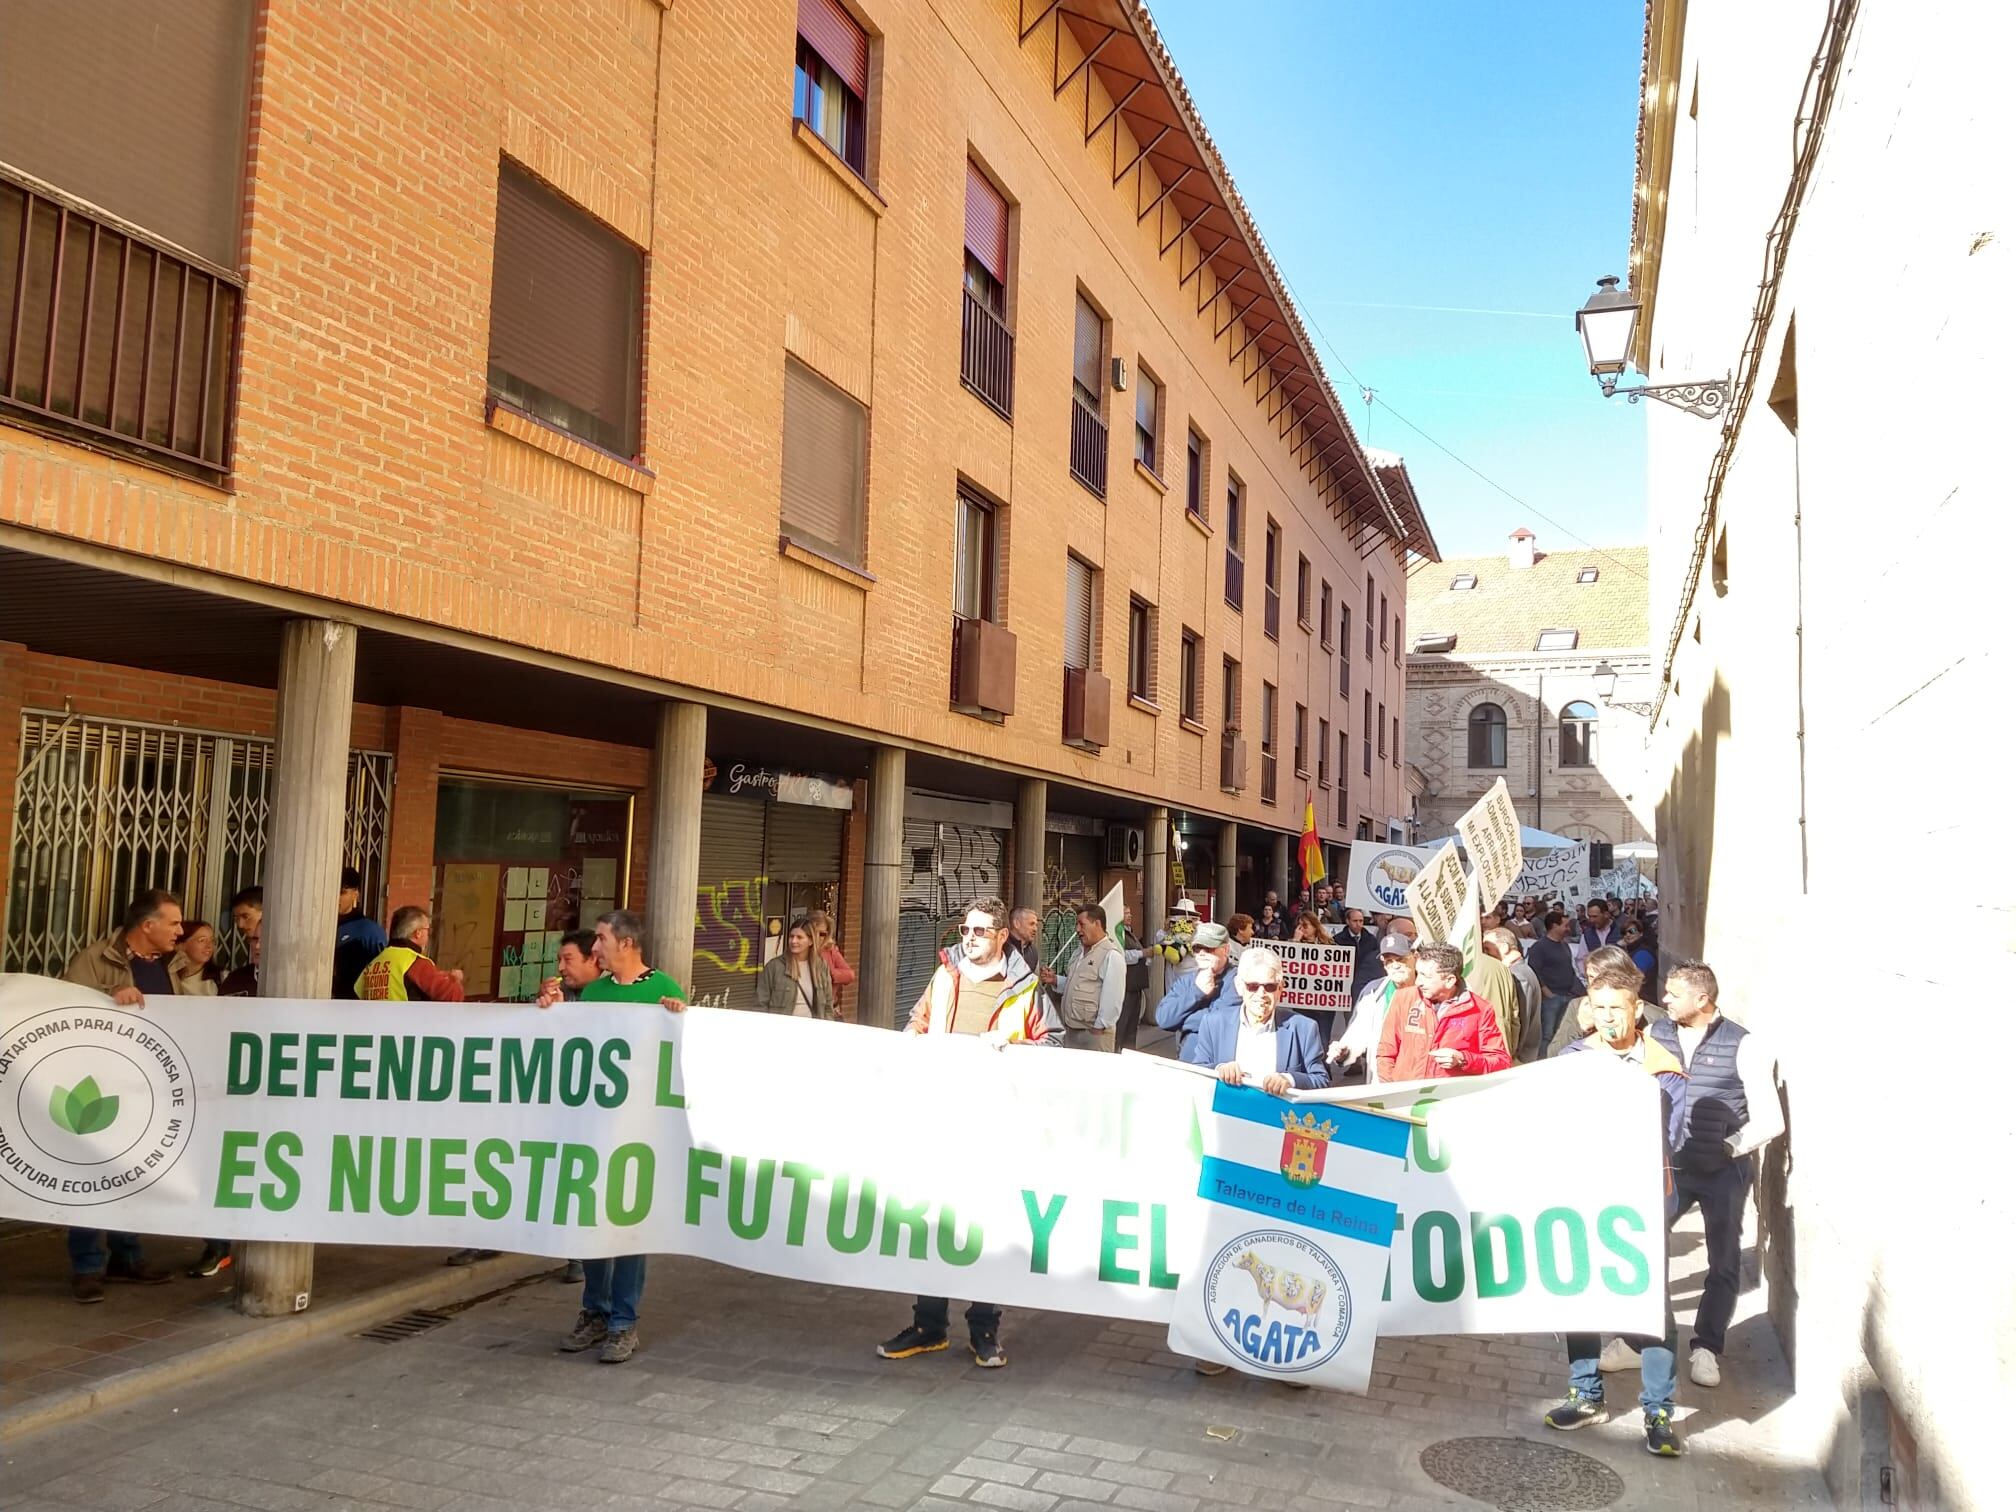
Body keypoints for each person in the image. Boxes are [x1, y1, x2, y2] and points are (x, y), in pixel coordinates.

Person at [880, 897, 1038, 1369]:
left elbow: (1051, 1044)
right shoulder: (943, 976)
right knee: (936, 1224)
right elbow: (918, 1020)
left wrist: (1013, 1046)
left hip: (994, 1128)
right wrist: (910, 1035)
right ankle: (929, 1324)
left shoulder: (1024, 987)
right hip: (941, 1121)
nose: (971, 938)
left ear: (1001, 936)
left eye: (982, 931)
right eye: (966, 930)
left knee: (987, 1229)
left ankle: (984, 1327)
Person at [1545, 954, 1687, 1457]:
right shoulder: (1572, 1061)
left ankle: (1658, 1410)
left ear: (1636, 1009)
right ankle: (1585, 1395)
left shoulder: (1662, 1069)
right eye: (1599, 1007)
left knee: (1649, 1309)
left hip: (1639, 1204)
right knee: (1579, 1295)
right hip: (1581, 1197)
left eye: (1617, 1008)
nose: (1607, 1018)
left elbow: (1669, 1137)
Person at [535, 910, 687, 1362]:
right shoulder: (594, 992)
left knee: (629, 1229)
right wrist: (549, 1011)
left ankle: (624, 1321)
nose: (594, 948)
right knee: (594, 1224)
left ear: (626, 944)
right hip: (595, 1129)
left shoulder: (664, 991)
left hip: (641, 1132)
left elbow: (681, 1059)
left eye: (600, 939)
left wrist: (680, 1018)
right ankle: (594, 1312)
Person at [1644, 962, 1784, 1390]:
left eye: (1673, 993)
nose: (1664, 999)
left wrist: (1729, 1147)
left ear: (1702, 998)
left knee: (1722, 1262)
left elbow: (1770, 1119)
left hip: (1723, 1172)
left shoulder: (1743, 1044)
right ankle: (1638, 1340)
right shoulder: (1657, 1034)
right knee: (1644, 1246)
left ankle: (1706, 1346)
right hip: (1670, 1166)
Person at [57, 888, 185, 1301]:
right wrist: (107, 998)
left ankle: (127, 1255)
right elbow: (64, 1010)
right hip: (101, 1085)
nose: (180, 932)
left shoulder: (175, 965)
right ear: (147, 926)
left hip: (150, 1086)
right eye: (174, 923)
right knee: (91, 1172)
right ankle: (88, 1265)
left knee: (131, 1172)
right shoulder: (96, 960)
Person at [1182, 945, 1329, 1092]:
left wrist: (1290, 1079)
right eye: (1253, 986)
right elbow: (1198, 1070)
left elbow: (1321, 1079)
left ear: (1280, 989)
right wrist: (1219, 1069)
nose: (1261, 994)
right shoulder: (1214, 1023)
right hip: (1228, 1111)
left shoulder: (1303, 1028)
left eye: (1269, 987)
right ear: (1239, 986)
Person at [1378, 942, 1511, 1082]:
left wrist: (1463, 1059)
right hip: (1405, 1097)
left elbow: (1500, 1062)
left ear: (1449, 981)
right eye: (1418, 973)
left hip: (1448, 1098)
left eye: (1426, 976)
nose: (1418, 982)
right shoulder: (1403, 998)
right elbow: (1386, 1052)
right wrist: (1390, 1090)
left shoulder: (1480, 1009)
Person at [1328, 932, 1418, 1084]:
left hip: (1417, 1077)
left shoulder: (1429, 989)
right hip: (1382, 1078)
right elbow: (1358, 1032)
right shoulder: (1373, 991)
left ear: (1414, 957)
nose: (1395, 965)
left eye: (1401, 959)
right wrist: (1343, 1052)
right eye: (1388, 961)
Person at [1151, 922, 1238, 1058]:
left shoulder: (1238, 980)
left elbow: (1224, 1023)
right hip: (1189, 1063)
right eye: (1197, 948)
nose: (1202, 953)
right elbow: (1163, 1019)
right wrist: (1196, 992)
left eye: (1208, 948)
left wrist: (1184, 1021)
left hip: (1222, 1066)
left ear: (1226, 950)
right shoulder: (1186, 981)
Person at [1050, 904, 1124, 1051]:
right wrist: (1055, 980)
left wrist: (1099, 1027)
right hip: (1072, 1031)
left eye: (1082, 924)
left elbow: (1113, 998)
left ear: (1097, 924)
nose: (1077, 929)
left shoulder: (1111, 955)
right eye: (1077, 924)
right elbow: (1078, 984)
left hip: (1093, 1034)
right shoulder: (1078, 952)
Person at [354, 906, 467, 1001]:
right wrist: (455, 981)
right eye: (428, 930)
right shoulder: (415, 962)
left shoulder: (374, 964)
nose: (429, 936)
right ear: (418, 933)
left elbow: (358, 993)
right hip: (405, 1026)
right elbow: (453, 996)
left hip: (374, 1026)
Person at [1527, 910, 1585, 1055]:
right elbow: (1534, 971)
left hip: (1567, 995)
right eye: (1565, 925)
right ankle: (1542, 1062)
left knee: (1563, 1034)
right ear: (1554, 926)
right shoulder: (1539, 947)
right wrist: (1547, 992)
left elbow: (1570, 969)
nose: (1568, 929)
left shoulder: (1564, 946)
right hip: (1551, 999)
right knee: (1547, 1034)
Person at [1484, 926, 1545, 1064]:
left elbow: (1522, 1018)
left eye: (1488, 948)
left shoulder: (1518, 976)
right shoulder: (1519, 971)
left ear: (1504, 948)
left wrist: (1514, 1054)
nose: (1485, 954)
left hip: (1520, 1056)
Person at [756, 920, 835, 1018]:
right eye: (791, 936)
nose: (794, 941)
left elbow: (828, 1005)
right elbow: (760, 1005)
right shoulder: (775, 967)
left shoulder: (821, 966)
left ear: (810, 941)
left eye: (799, 937)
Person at [332, 866, 386, 1000]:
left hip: (353, 1006)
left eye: (342, 892)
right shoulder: (314, 926)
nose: (336, 898)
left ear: (355, 894)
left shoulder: (368, 931)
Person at [169, 919, 224, 995]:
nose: (209, 946)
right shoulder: (167, 975)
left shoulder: (222, 977)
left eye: (212, 940)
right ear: (180, 945)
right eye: (202, 940)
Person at [1342, 907, 1382, 994]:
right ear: (1348, 921)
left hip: (1364, 980)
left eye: (1361, 921)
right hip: (1344, 980)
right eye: (1355, 921)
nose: (1358, 924)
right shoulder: (1338, 939)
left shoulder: (1371, 940)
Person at [1005, 906, 1042, 978]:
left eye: (1036, 925)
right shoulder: (1001, 948)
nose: (1035, 929)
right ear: (1016, 924)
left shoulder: (1033, 951)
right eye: (1031, 924)